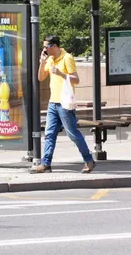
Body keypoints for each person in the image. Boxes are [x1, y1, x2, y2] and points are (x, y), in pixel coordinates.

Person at [30, 36, 96, 174]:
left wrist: (61, 74)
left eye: (46, 47)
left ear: (54, 46)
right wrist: (42, 62)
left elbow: (76, 79)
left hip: (65, 103)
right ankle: (46, 164)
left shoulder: (67, 58)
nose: (44, 49)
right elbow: (41, 77)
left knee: (72, 134)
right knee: (49, 134)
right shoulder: (50, 59)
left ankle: (89, 160)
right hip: (53, 103)